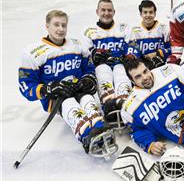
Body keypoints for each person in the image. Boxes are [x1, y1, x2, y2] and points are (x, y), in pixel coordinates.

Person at [18, 10, 118, 158]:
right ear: (47, 26)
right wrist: (48, 89)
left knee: (88, 100)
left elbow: (88, 67)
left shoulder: (77, 45)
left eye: (63, 25)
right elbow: (26, 86)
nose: (60, 29)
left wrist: (88, 79)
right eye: (56, 25)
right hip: (57, 98)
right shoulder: (33, 52)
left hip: (78, 89)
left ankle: (99, 127)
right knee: (70, 104)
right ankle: (87, 135)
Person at [82, 0, 137, 127]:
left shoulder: (123, 28)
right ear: (97, 11)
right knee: (102, 71)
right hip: (102, 66)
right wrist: (94, 56)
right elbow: (86, 55)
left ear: (114, 12)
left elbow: (133, 46)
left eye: (109, 10)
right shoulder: (89, 31)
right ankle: (109, 104)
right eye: (103, 10)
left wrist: (129, 56)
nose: (106, 13)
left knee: (120, 72)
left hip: (120, 64)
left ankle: (125, 102)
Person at [125, 0, 171, 70]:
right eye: (145, 12)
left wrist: (157, 54)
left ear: (155, 13)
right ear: (141, 14)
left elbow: (172, 50)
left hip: (160, 66)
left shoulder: (164, 28)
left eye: (151, 12)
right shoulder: (134, 30)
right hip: (142, 67)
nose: (148, 15)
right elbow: (131, 51)